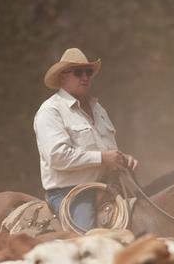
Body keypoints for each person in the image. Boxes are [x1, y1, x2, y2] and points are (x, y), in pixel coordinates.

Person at [34, 47, 138, 232]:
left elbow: (107, 150)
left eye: (88, 72)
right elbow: (57, 156)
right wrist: (103, 158)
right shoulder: (51, 111)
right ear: (63, 76)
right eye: (78, 72)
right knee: (88, 240)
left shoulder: (98, 109)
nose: (85, 77)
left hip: (108, 186)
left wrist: (121, 158)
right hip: (72, 193)